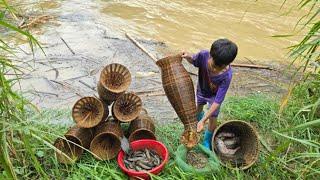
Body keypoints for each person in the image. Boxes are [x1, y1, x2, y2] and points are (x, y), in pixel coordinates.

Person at [181, 39, 238, 150]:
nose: (213, 68)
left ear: (227, 64)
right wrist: (188, 57)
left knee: (212, 118)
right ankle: (198, 122)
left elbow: (217, 102)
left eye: (218, 67)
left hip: (214, 97)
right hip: (202, 89)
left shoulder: (226, 76)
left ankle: (207, 139)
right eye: (213, 63)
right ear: (211, 54)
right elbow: (194, 61)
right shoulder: (203, 55)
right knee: (198, 108)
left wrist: (204, 121)